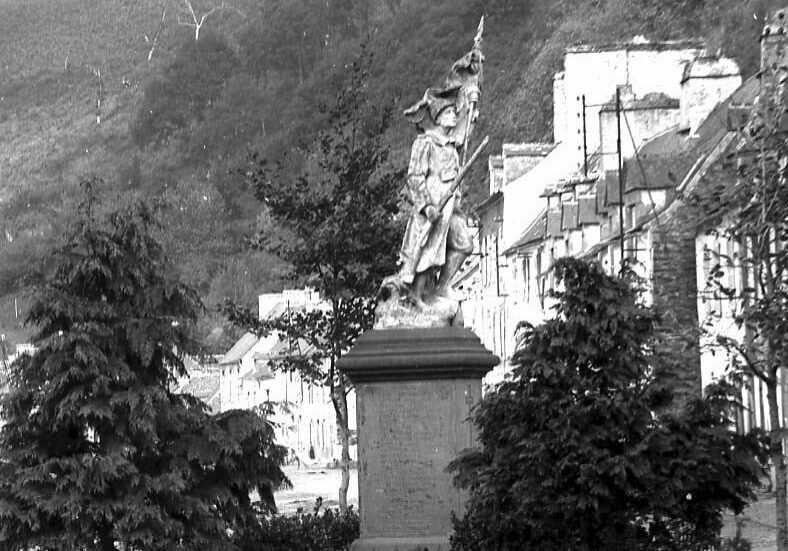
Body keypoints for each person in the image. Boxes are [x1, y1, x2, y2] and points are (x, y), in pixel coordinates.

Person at [396, 87, 474, 307]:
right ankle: (416, 296)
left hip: (450, 206)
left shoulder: (452, 147)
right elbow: (414, 176)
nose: (454, 116)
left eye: (453, 112)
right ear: (438, 118)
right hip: (433, 204)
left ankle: (442, 288)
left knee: (465, 244)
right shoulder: (425, 143)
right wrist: (427, 205)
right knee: (428, 252)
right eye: (449, 113)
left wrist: (471, 99)